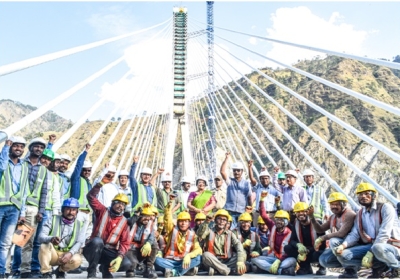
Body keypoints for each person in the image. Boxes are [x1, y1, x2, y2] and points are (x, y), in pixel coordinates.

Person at [334, 183, 400, 279]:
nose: (363, 196)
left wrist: (370, 252)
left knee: (378, 248)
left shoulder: (386, 208)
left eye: (367, 193)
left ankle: (396, 267)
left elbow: (384, 234)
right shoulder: (360, 213)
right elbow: (354, 234)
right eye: (360, 194)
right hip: (373, 246)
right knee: (343, 256)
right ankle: (379, 268)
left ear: (374, 195)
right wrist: (343, 245)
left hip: (390, 246)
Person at [12, 137, 48, 279]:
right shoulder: (21, 164)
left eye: (41, 147)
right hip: (18, 206)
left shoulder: (44, 170)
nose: (39, 149)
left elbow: (44, 192)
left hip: (33, 209)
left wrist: (41, 211)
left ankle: (25, 270)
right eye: (36, 146)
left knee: (28, 241)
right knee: (16, 239)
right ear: (31, 148)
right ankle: (14, 269)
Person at [83, 178, 132, 279]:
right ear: (113, 203)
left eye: (123, 205)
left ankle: (105, 269)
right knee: (97, 242)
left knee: (126, 264)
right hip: (92, 249)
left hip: (108, 251)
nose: (120, 206)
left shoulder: (124, 222)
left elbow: (125, 243)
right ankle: (91, 272)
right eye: (118, 203)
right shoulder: (102, 211)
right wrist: (99, 185)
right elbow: (91, 196)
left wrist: (120, 257)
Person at [0, 137, 28, 278]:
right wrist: (5, 148)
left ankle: (1, 272)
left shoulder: (24, 166)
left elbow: (23, 191)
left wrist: (22, 212)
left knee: (5, 243)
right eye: (15, 146)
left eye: (21, 147)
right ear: (11, 147)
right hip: (0, 205)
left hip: (14, 209)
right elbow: (1, 167)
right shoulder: (4, 161)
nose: (18, 149)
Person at [251, 192, 296, 276]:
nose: (278, 222)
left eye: (281, 220)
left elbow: (290, 251)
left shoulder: (291, 233)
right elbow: (263, 215)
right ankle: (281, 271)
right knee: (254, 260)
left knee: (292, 260)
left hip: (284, 259)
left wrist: (279, 260)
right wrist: (261, 200)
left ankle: (266, 269)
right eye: (277, 219)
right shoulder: (272, 227)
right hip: (273, 257)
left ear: (286, 222)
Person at [38, 198, 84, 279]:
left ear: (77, 212)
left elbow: (79, 242)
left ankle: (61, 271)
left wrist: (70, 253)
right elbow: (40, 236)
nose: (70, 212)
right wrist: (51, 239)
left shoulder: (80, 224)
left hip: (66, 255)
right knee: (44, 246)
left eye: (73, 210)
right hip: (53, 254)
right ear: (63, 210)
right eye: (68, 209)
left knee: (77, 260)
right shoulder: (53, 219)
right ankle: (46, 273)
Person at [154, 201, 202, 277]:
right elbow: (167, 219)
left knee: (198, 258)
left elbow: (198, 250)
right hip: (169, 261)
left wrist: (189, 256)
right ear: (177, 222)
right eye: (181, 221)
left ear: (189, 223)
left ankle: (173, 271)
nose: (183, 224)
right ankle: (183, 271)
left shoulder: (193, 235)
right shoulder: (171, 230)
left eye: (186, 221)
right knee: (156, 260)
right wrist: (169, 207)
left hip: (184, 261)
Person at [311, 192, 356, 272]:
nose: (334, 206)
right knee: (323, 260)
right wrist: (312, 218)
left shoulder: (349, 214)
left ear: (343, 204)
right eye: (332, 204)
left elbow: (341, 233)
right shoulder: (333, 217)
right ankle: (347, 264)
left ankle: (351, 269)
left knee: (333, 241)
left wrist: (322, 238)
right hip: (339, 246)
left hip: (350, 245)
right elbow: (320, 229)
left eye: (337, 204)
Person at [197, 209, 247, 276]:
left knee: (243, 254)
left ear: (226, 222)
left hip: (227, 261)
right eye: (219, 219)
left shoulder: (230, 233)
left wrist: (240, 261)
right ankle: (228, 271)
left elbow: (238, 245)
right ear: (215, 220)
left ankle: (217, 270)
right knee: (206, 255)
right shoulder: (209, 231)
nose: (221, 222)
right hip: (213, 260)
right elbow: (200, 234)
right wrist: (206, 222)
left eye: (224, 220)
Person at [284, 201, 326, 275]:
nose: (300, 213)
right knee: (287, 248)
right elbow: (292, 240)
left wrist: (309, 250)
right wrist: (298, 245)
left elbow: (323, 244)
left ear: (308, 212)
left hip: (315, 250)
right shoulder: (296, 223)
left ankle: (322, 267)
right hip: (303, 251)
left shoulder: (317, 223)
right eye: (298, 212)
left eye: (303, 211)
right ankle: (305, 267)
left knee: (319, 253)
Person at [220, 152, 252, 229]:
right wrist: (226, 158)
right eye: (234, 170)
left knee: (241, 231)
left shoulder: (246, 183)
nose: (236, 172)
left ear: (242, 171)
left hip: (241, 212)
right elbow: (222, 172)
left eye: (238, 170)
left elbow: (249, 197)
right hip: (229, 211)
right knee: (228, 230)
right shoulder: (230, 181)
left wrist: (250, 210)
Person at [126, 204, 158, 278]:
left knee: (154, 244)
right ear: (140, 215)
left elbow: (152, 236)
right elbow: (130, 221)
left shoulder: (151, 224)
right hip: (130, 249)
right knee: (133, 263)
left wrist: (148, 244)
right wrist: (136, 214)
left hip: (142, 249)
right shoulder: (133, 222)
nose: (147, 219)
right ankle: (130, 269)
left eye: (149, 217)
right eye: (145, 216)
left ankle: (148, 269)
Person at [70, 143, 92, 240]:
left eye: (89, 170)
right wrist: (85, 151)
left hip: (87, 215)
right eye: (85, 170)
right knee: (74, 236)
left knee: (82, 239)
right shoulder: (76, 179)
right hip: (77, 213)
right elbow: (78, 166)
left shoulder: (89, 184)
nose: (87, 172)